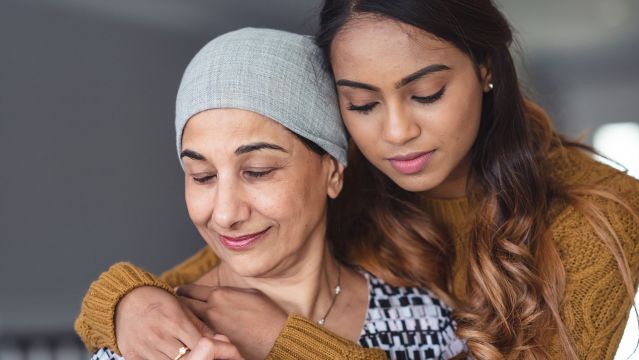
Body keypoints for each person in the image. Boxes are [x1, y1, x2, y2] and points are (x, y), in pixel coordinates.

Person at [76, 0, 639, 359]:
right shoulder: (358, 183)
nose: (397, 133)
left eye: (426, 94)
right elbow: (222, 260)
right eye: (363, 104)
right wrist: (128, 301)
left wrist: (285, 343)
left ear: (487, 68)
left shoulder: (599, 215)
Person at [85, 27, 467, 360]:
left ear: (332, 172)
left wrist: (288, 345)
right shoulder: (150, 341)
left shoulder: (428, 322)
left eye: (257, 171)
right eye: (201, 176)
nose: (224, 213)